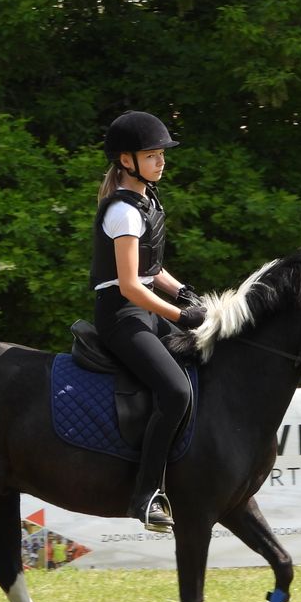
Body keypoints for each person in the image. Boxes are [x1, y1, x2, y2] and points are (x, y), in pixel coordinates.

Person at [90, 110, 207, 532]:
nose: (161, 162)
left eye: (161, 155)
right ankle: (146, 496)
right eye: (152, 155)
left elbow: (151, 270)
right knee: (175, 392)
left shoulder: (147, 201)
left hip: (144, 307)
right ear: (127, 160)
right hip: (121, 317)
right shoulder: (122, 212)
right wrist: (180, 314)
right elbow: (129, 286)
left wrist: (184, 292)